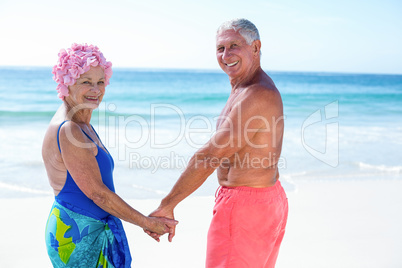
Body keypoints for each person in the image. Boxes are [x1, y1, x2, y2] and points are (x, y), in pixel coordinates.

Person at [147, 19, 288, 267]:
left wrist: (167, 205)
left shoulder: (256, 94)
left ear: (255, 48)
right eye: (220, 48)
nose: (226, 55)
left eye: (234, 45)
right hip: (259, 201)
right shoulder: (245, 88)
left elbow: (210, 156)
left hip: (247, 207)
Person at [42, 43, 177, 267]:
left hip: (90, 228)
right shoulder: (69, 129)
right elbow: (99, 195)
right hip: (77, 235)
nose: (96, 90)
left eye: (101, 82)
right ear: (67, 82)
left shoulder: (82, 123)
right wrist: (147, 222)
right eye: (86, 82)